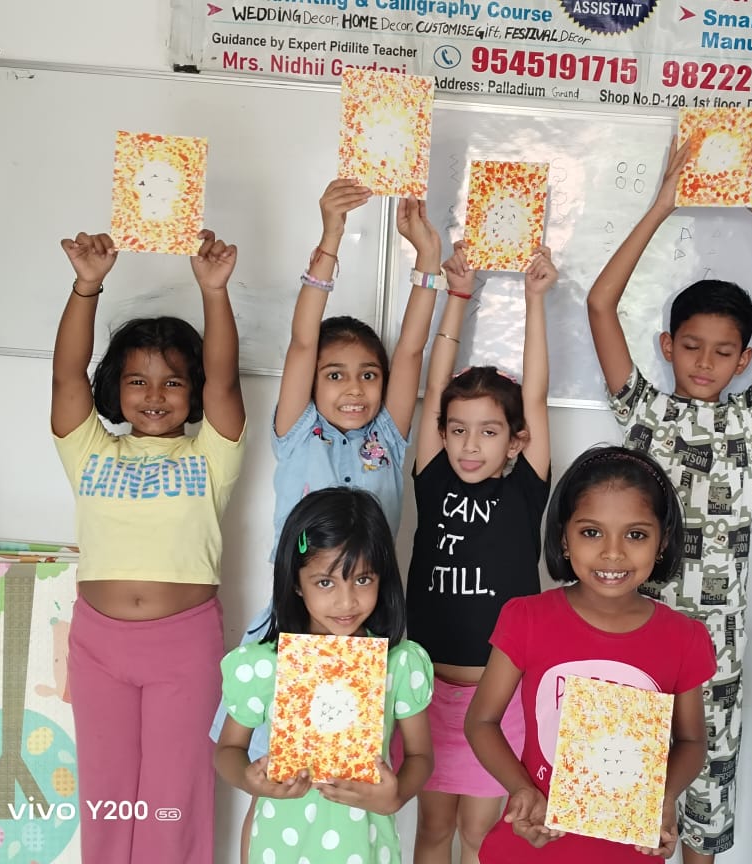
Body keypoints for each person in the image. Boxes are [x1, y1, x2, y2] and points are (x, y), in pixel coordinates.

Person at [586, 135, 752, 859]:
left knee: (703, 818)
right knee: (620, 803)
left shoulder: (750, 418)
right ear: (667, 345)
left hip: (716, 654)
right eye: (690, 346)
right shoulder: (644, 413)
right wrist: (663, 204)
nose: (705, 362)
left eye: (723, 352)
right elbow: (600, 303)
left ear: (745, 360)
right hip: (633, 634)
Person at [210, 180, 441, 851]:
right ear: (313, 385)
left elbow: (412, 352)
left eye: (368, 374)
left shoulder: (389, 439)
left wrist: (426, 262)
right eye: (335, 374)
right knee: (274, 774)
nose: (354, 387)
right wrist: (331, 236)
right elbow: (300, 345)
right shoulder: (297, 432)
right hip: (294, 625)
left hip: (364, 627)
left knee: (349, 775)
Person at [52, 229, 246, 864]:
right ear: (116, 387)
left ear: (193, 392)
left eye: (172, 383)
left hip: (183, 647)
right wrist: (87, 286)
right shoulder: (89, 450)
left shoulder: (210, 455)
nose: (155, 396)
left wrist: (213, 293)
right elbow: (65, 375)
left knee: (173, 799)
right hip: (98, 644)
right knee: (107, 798)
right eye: (138, 381)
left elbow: (225, 383)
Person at [465, 445, 718, 862]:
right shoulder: (526, 618)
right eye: (591, 532)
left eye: (635, 535)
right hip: (535, 845)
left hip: (628, 850)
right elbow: (481, 721)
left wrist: (665, 795)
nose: (612, 552)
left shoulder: (684, 638)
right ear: (563, 538)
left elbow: (691, 740)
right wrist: (522, 789)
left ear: (662, 541)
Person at [405, 241, 555, 864]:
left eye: (489, 432)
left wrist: (535, 300)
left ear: (515, 441)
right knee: (432, 830)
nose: (470, 446)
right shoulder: (433, 476)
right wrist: (457, 297)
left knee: (479, 835)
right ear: (442, 433)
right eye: (458, 430)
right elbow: (434, 385)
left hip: (498, 701)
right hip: (428, 692)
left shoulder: (525, 488)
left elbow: (536, 395)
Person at [215, 487, 435, 864]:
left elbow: (421, 755)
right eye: (325, 582)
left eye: (362, 580)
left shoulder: (397, 663)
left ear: (382, 578)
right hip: (281, 847)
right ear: (296, 583)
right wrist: (249, 779)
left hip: (365, 846)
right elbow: (227, 751)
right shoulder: (264, 664)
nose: (346, 601)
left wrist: (396, 795)